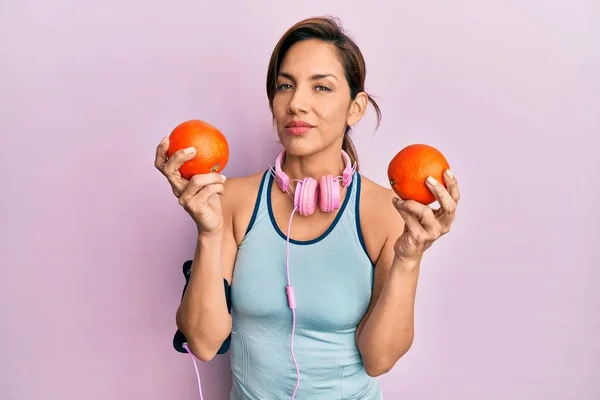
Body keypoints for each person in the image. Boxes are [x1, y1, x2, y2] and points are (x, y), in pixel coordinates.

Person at [154, 15, 460, 400]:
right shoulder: (230, 200)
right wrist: (208, 232)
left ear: (355, 108)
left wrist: (409, 258)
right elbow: (203, 341)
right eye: (285, 86)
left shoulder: (388, 211)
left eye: (322, 87)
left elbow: (378, 359)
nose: (297, 103)